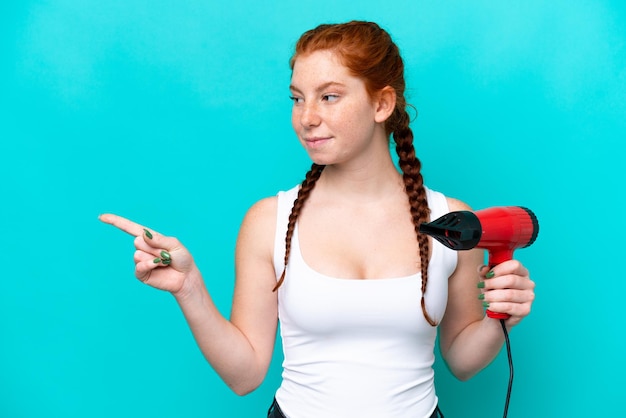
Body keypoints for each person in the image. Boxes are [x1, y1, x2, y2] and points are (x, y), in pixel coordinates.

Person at [100, 20, 535, 418]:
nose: (307, 118)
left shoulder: (450, 221)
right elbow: (245, 374)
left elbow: (461, 360)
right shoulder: (271, 220)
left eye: (329, 96)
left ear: (382, 103)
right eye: (297, 98)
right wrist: (189, 287)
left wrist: (501, 317)